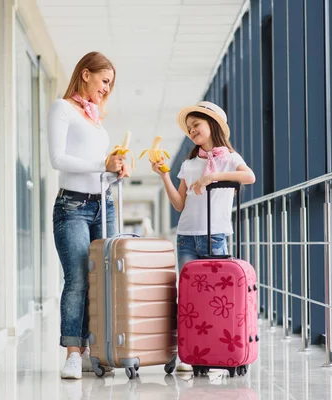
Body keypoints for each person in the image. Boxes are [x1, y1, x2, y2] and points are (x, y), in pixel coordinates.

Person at [150, 100, 255, 371]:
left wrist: (213, 177)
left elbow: (250, 177)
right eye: (189, 129)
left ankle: (216, 350)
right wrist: (164, 177)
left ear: (213, 125)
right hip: (186, 237)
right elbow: (179, 204)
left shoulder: (229, 158)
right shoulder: (189, 163)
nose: (192, 131)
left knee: (218, 298)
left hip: (215, 236)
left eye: (196, 125)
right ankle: (192, 350)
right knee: (187, 298)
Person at [47, 51, 128, 379]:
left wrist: (115, 169)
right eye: (104, 80)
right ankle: (72, 353)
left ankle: (95, 349)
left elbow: (98, 168)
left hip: (102, 205)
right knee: (78, 279)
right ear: (85, 74)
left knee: (101, 280)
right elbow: (58, 159)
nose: (107, 88)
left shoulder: (95, 119)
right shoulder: (62, 108)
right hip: (73, 208)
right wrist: (101, 165)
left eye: (111, 84)